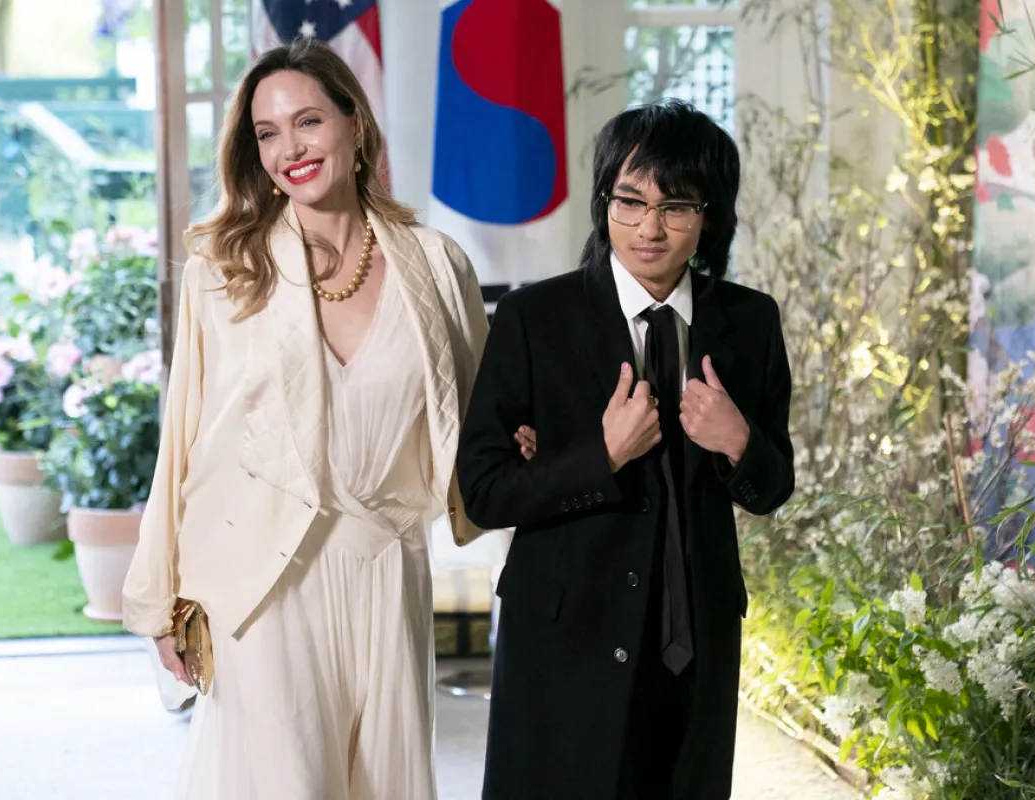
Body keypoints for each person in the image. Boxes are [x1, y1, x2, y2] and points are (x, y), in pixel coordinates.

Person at [121, 39, 489, 800]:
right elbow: (180, 439)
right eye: (267, 132)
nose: (289, 148)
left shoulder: (437, 264)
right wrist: (161, 601)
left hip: (388, 569)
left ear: (356, 125)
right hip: (263, 579)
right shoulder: (224, 271)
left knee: (384, 784)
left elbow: (484, 424)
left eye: (309, 121)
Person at [456, 99, 796, 799]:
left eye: (676, 207)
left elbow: (773, 487)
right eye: (630, 200)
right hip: (565, 638)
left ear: (708, 217)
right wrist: (599, 455)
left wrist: (738, 441)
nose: (649, 227)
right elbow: (484, 490)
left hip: (695, 640)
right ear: (603, 200)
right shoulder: (534, 319)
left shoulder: (749, 322)